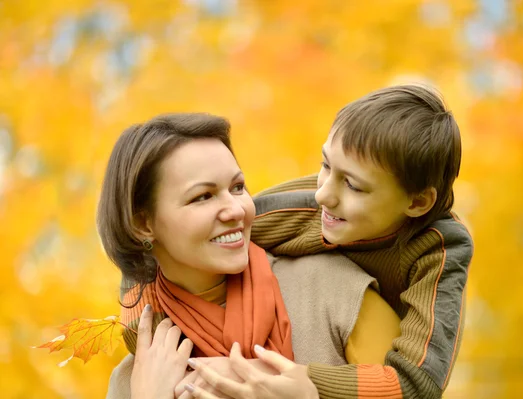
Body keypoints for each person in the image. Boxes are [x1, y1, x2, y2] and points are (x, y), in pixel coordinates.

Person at [183, 84, 474, 399]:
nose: (323, 194)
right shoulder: (306, 205)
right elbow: (167, 243)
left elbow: (418, 383)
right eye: (325, 165)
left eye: (352, 184)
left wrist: (302, 380)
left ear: (417, 203)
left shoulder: (439, 249)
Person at [99, 113, 402, 398]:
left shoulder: (335, 292)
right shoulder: (139, 375)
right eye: (202, 196)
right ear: (143, 224)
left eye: (237, 187)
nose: (236, 209)